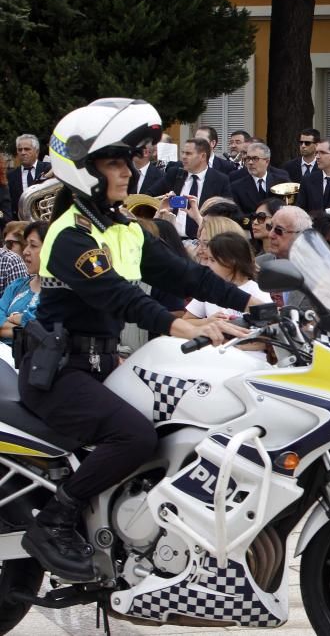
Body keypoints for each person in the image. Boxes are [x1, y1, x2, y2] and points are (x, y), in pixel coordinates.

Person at [18, 98, 252, 582]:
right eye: (114, 163)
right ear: (85, 171)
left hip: (104, 365)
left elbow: (188, 274)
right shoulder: (70, 237)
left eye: (127, 162)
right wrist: (190, 327)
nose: (127, 172)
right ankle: (54, 521)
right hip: (62, 373)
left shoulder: (123, 227)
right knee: (134, 435)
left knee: (178, 423)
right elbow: (124, 299)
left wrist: (254, 304)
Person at [184, 232, 270, 361]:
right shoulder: (209, 287)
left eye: (212, 260)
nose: (207, 265)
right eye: (207, 259)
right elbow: (186, 320)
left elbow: (268, 338)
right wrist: (208, 321)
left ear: (231, 261)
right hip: (213, 358)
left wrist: (237, 346)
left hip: (248, 360)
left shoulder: (257, 292)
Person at [0, 220, 46, 344]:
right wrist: (24, 326)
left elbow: (44, 330)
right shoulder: (17, 285)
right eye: (26, 245)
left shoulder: (59, 291)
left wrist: (15, 320)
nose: (26, 251)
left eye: (33, 245)